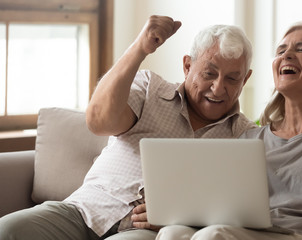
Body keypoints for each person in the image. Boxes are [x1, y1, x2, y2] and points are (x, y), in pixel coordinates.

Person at [0, 15, 256, 240]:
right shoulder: (150, 88)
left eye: (232, 78)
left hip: (145, 231)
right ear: (188, 66)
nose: (218, 88)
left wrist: (182, 216)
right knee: (8, 229)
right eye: (209, 73)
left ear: (245, 79)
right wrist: (139, 49)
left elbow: (248, 211)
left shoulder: (246, 137)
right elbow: (99, 121)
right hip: (85, 210)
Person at [154, 22, 302, 240]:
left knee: (214, 236)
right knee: (172, 233)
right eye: (281, 50)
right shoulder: (249, 138)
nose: (287, 55)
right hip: (251, 234)